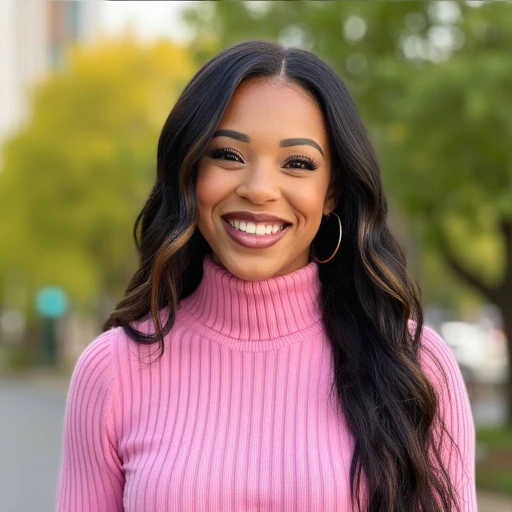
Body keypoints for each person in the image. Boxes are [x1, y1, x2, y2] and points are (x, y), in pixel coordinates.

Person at [57, 40, 476, 511]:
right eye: (228, 155)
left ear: (332, 191)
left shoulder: (414, 366)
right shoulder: (113, 370)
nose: (259, 190)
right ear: (190, 173)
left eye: (298, 163)